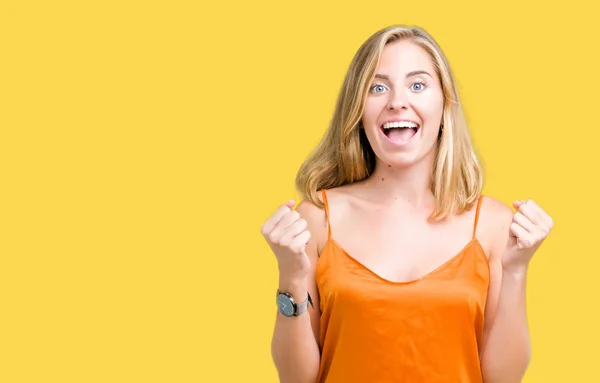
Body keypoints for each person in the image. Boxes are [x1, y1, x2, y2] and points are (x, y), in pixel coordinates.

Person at [260, 24, 554, 383]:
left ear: (445, 103)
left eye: (417, 85)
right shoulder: (317, 220)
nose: (397, 101)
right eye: (377, 87)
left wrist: (517, 269)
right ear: (358, 110)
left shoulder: (493, 224)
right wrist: (290, 273)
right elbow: (296, 379)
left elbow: (504, 379)